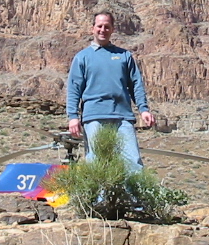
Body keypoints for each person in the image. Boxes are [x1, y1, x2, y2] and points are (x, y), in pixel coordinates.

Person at [66, 11, 155, 171]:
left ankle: (133, 196)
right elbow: (74, 88)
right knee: (96, 163)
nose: (103, 30)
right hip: (94, 117)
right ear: (93, 28)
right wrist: (73, 117)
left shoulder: (124, 56)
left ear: (112, 29)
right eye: (99, 26)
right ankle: (101, 197)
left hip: (123, 118)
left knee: (133, 163)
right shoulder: (82, 57)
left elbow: (136, 84)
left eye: (107, 26)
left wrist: (143, 109)